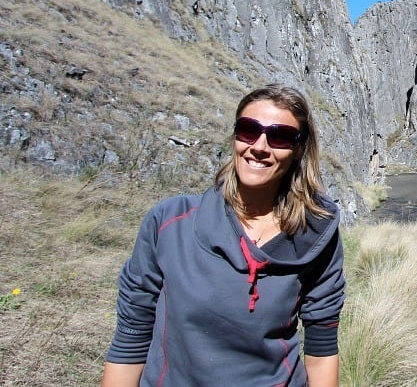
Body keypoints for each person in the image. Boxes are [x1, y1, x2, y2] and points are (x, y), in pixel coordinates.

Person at [101, 85, 346, 387]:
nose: (259, 146)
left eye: (280, 136)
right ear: (235, 137)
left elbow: (321, 349)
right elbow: (132, 332)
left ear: (298, 150)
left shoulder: (315, 235)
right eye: (248, 129)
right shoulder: (170, 223)